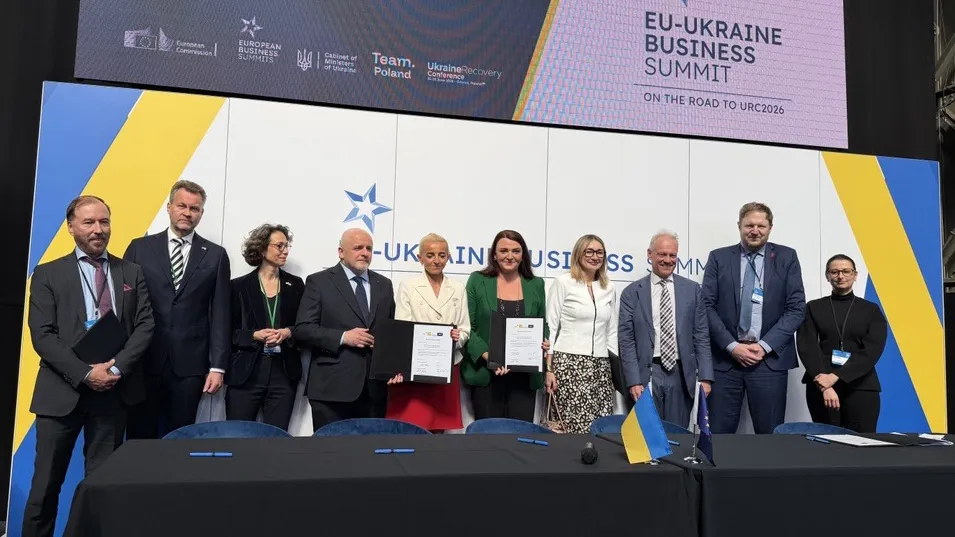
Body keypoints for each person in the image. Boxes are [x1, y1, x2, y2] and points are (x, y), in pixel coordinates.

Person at [23, 196, 154, 537]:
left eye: (104, 222)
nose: (98, 229)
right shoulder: (48, 273)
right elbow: (42, 336)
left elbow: (145, 326)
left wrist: (116, 369)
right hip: (61, 395)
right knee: (44, 489)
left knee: (101, 491)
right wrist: (85, 373)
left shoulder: (131, 272)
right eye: (89, 222)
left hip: (113, 394)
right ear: (71, 227)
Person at [123, 180, 231, 439]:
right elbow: (124, 306)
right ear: (169, 207)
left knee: (180, 440)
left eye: (194, 208)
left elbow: (220, 314)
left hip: (190, 366)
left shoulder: (215, 255)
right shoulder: (139, 248)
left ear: (201, 213)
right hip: (143, 360)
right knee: (139, 438)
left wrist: (217, 366)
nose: (187, 213)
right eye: (182, 206)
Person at [701, 202, 806, 434]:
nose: (755, 231)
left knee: (769, 435)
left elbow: (796, 308)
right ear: (739, 226)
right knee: (718, 436)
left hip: (769, 362)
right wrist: (732, 346)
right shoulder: (719, 257)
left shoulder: (787, 257)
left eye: (761, 226)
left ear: (770, 228)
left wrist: (764, 346)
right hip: (725, 361)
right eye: (749, 225)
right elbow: (706, 306)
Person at [294, 228, 396, 430]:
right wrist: (343, 337)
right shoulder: (319, 282)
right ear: (341, 252)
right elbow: (302, 329)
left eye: (369, 248)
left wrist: (394, 366)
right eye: (358, 248)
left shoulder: (384, 284)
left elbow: (390, 332)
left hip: (374, 391)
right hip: (331, 390)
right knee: (331, 450)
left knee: (370, 449)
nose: (364, 253)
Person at [618, 231, 713, 428]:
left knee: (678, 434)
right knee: (647, 435)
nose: (668, 260)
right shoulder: (631, 293)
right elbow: (626, 341)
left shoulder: (692, 290)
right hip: (647, 373)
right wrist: (633, 381)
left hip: (681, 375)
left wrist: (705, 377)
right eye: (662, 254)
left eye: (672, 255)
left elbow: (701, 335)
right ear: (650, 254)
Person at [385, 233, 471, 432]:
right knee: (413, 424)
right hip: (417, 366)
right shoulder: (408, 286)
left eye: (442, 255)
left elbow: (465, 328)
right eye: (430, 255)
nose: (436, 260)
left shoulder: (458, 288)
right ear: (420, 258)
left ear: (449, 257)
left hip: (448, 365)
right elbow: (403, 327)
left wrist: (457, 339)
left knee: (439, 426)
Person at [464, 230, 549, 422]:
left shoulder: (536, 284)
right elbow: (467, 326)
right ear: (494, 255)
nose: (509, 256)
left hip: (524, 378)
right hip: (486, 374)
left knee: (519, 434)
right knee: (487, 435)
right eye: (503, 251)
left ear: (523, 255)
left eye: (515, 251)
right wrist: (488, 356)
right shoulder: (478, 280)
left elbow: (542, 323)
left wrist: (543, 340)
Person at [225, 224, 304, 431]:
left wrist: (288, 332)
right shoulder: (237, 286)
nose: (285, 251)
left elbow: (305, 327)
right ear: (261, 248)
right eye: (279, 246)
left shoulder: (296, 285)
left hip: (283, 373)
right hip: (246, 374)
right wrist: (253, 335)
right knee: (238, 436)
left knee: (276, 439)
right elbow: (225, 332)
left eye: (287, 246)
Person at [796, 254, 887, 432]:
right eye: (835, 272)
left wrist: (835, 377)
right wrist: (825, 384)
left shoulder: (871, 310)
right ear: (827, 275)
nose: (840, 276)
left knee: (862, 441)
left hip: (861, 386)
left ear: (855, 275)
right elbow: (807, 346)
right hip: (821, 386)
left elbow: (872, 351)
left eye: (846, 271)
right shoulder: (813, 307)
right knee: (826, 443)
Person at [544, 234, 618, 433]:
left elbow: (611, 331)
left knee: (600, 430)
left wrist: (614, 370)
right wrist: (549, 369)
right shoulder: (563, 282)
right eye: (589, 251)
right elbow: (550, 326)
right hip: (569, 365)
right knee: (570, 429)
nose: (595, 256)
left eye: (600, 252)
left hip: (601, 368)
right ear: (578, 254)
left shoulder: (609, 287)